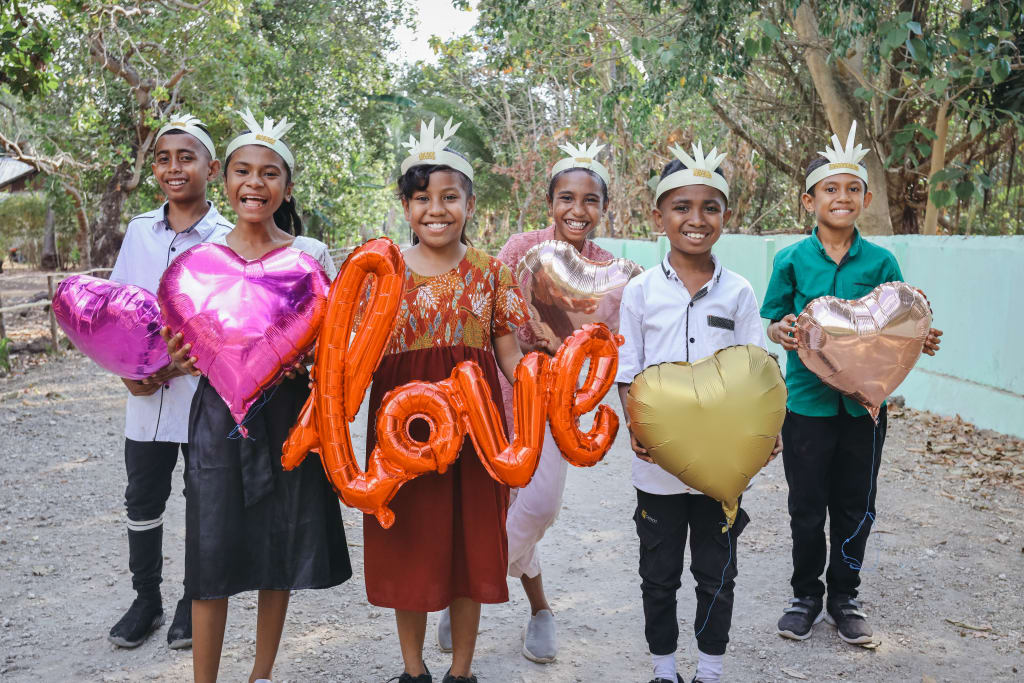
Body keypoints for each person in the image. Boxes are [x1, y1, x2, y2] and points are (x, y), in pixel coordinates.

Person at [163, 110, 351, 682]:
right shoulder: (195, 262)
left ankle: (261, 673)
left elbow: (334, 345)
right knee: (209, 550)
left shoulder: (311, 257)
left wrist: (311, 357)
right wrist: (173, 359)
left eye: (270, 174)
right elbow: (174, 339)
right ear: (225, 182)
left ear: (286, 187)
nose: (255, 183)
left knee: (280, 543)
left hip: (289, 416)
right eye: (243, 171)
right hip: (216, 415)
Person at [761, 122, 942, 647]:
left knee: (856, 503)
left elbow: (895, 323)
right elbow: (773, 319)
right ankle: (805, 596)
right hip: (807, 406)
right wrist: (783, 329)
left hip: (865, 410)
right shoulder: (790, 260)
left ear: (864, 199)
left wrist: (918, 337)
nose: (841, 197)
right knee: (806, 503)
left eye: (852, 189)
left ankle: (844, 597)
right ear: (809, 200)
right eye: (829, 189)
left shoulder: (882, 262)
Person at [363, 118, 528, 683]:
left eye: (450, 196)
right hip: (398, 433)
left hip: (476, 429)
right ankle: (413, 672)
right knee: (406, 542)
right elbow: (356, 356)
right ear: (406, 206)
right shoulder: (380, 275)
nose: (437, 209)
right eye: (422, 197)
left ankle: (462, 671)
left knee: (469, 546)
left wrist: (542, 386)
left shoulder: (491, 273)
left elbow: (509, 355)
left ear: (470, 202)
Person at [438, 140, 615, 663]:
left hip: (555, 409)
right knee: (495, 508)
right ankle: (540, 610)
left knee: (537, 507)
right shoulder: (520, 247)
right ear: (550, 202)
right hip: (497, 397)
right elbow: (489, 309)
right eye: (566, 198)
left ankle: (467, 588)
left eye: (589, 201)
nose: (577, 211)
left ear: (604, 207)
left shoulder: (611, 269)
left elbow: (614, 342)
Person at [615, 141, 782, 683]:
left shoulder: (738, 293)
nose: (696, 218)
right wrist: (639, 427)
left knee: (717, 574)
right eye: (682, 207)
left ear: (725, 217)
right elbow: (628, 371)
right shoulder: (639, 293)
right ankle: (664, 669)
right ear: (659, 215)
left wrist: (764, 432)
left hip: (722, 472)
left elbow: (757, 373)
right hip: (657, 470)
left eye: (710, 207)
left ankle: (710, 670)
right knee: (658, 574)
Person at [107, 114, 232, 650]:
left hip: (206, 398)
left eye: (187, 157)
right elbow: (115, 311)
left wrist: (175, 367)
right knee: (143, 499)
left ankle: (191, 602)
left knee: (203, 499)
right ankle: (146, 600)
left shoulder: (229, 239)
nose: (173, 168)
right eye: (164, 158)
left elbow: (232, 327)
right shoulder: (139, 231)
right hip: (144, 399)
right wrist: (130, 373)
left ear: (212, 167)